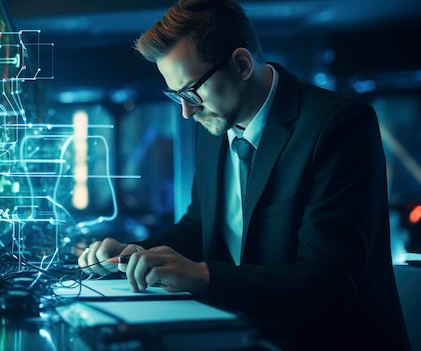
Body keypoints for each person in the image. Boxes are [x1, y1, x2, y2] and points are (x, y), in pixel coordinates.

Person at [77, 0, 410, 349]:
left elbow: (326, 283)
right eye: (177, 96)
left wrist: (203, 276)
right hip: (242, 337)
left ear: (241, 64)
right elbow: (199, 226)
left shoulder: (338, 126)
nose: (188, 112)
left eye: (192, 91)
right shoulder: (213, 122)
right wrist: (133, 254)